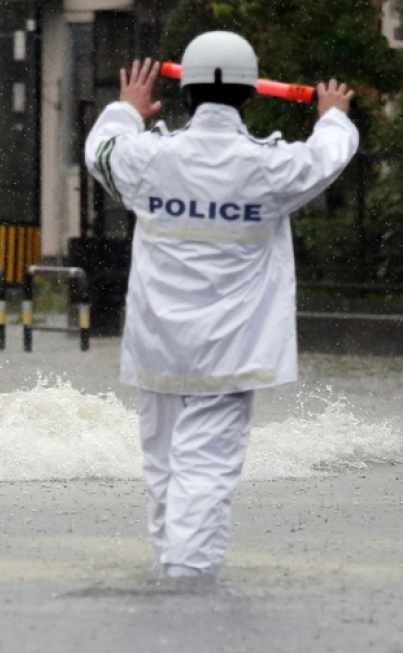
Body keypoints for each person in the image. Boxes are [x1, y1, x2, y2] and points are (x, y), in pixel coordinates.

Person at [83, 31, 358, 581]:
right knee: (204, 473)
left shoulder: (147, 160)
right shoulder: (270, 169)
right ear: (251, 93)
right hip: (230, 352)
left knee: (162, 469)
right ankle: (188, 590)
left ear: (184, 92)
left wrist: (125, 109)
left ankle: (169, 572)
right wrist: (331, 113)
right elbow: (329, 156)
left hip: (159, 348)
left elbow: (101, 151)